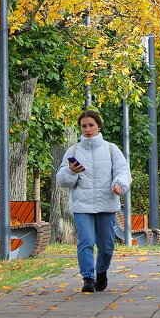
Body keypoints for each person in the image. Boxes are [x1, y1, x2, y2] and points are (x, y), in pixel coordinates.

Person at [56, 110, 132, 293]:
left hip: (106, 204)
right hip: (82, 205)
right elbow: (62, 180)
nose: (87, 129)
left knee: (106, 245)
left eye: (91, 125)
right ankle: (88, 278)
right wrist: (72, 172)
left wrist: (119, 185)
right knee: (86, 241)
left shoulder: (111, 149)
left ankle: (102, 271)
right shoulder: (73, 151)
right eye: (84, 126)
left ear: (99, 126)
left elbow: (123, 171)